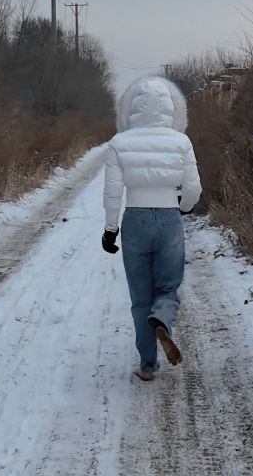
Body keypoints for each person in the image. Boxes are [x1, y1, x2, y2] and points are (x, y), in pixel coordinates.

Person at [100, 75, 203, 381]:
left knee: (140, 297)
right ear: (170, 108)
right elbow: (193, 187)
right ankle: (161, 320)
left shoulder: (119, 143)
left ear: (134, 109)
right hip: (169, 217)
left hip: (135, 220)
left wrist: (110, 228)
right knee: (168, 288)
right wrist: (185, 206)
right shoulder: (181, 141)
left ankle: (147, 365)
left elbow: (112, 191)